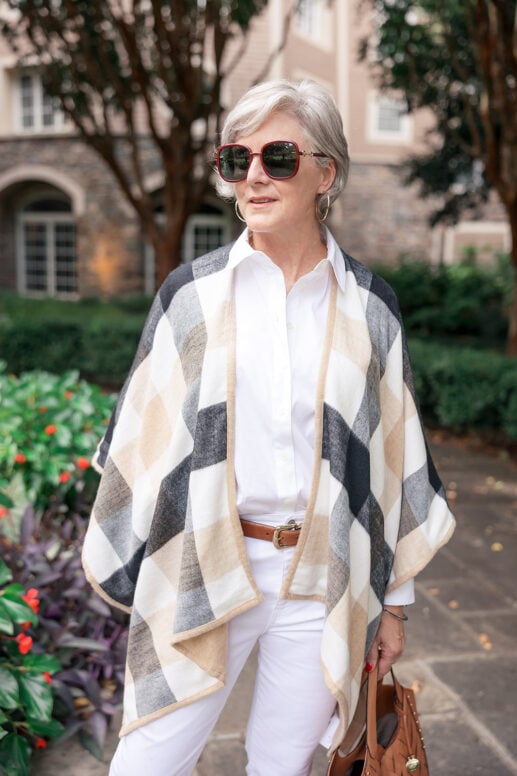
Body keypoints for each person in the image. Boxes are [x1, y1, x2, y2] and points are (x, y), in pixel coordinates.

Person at [82, 79, 455, 776]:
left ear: (326, 172)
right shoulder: (189, 295)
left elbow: (391, 454)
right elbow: (142, 438)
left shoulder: (369, 305)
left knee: (280, 767)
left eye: (278, 157)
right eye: (236, 159)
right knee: (144, 764)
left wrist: (393, 609)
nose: (254, 175)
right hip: (202, 559)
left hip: (321, 573)